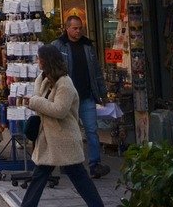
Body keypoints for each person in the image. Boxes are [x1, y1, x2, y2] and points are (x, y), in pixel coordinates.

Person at [19, 44, 106, 207]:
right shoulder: (43, 80)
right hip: (48, 138)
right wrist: (32, 101)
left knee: (79, 177)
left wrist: (35, 102)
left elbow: (60, 110)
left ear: (46, 60)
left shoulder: (65, 83)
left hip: (64, 138)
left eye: (39, 58)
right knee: (40, 176)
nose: (37, 61)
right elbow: (40, 102)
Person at [52, 14, 109, 178]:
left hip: (86, 96)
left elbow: (96, 72)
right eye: (74, 28)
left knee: (92, 131)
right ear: (67, 28)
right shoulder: (58, 45)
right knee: (69, 132)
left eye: (80, 28)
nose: (78, 31)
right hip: (67, 98)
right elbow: (51, 72)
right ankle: (69, 163)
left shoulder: (88, 46)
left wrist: (103, 94)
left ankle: (95, 164)